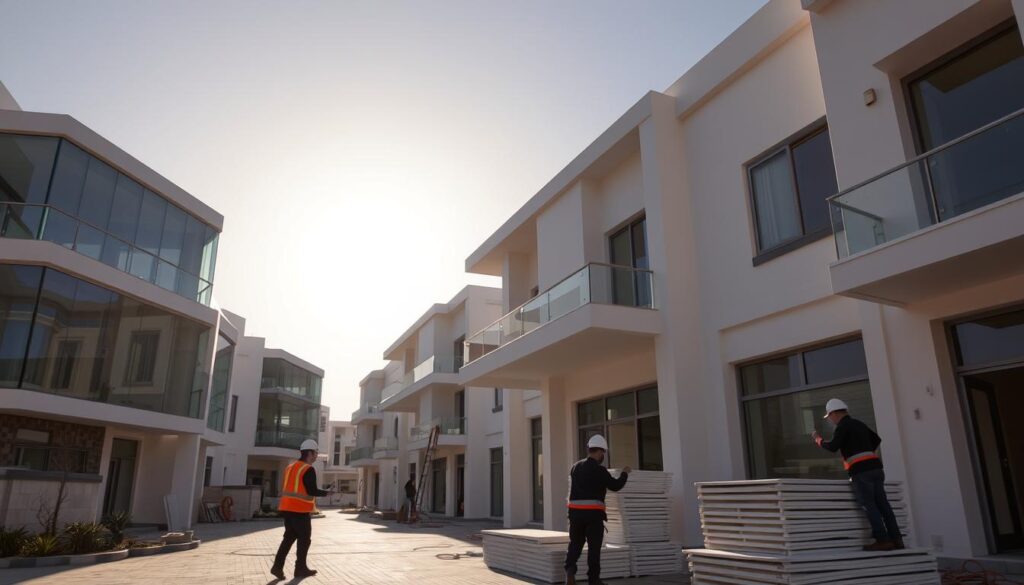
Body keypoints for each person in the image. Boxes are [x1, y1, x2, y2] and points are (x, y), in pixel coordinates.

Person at [812, 398, 904, 551]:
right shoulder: (859, 424)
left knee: (869, 505)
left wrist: (818, 440)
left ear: (834, 413)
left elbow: (833, 447)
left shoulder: (842, 426)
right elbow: (876, 439)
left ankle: (883, 540)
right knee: (883, 505)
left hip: (861, 472)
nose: (831, 420)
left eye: (830, 417)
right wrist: (864, 451)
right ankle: (897, 539)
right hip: (876, 468)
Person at [564, 435, 630, 585]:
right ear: (600, 451)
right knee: (594, 548)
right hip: (593, 515)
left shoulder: (575, 467)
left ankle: (570, 570)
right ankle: (593, 580)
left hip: (575, 513)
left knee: (575, 543)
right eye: (603, 453)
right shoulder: (600, 471)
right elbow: (615, 486)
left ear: (589, 449)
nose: (603, 457)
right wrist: (625, 473)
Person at [270, 439, 331, 580]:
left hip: (287, 508)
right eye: (315, 453)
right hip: (299, 510)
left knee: (288, 538)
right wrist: (327, 492)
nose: (316, 456)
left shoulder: (290, 467)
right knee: (304, 539)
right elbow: (312, 490)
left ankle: (277, 567)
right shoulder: (308, 469)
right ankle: (300, 568)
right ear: (309, 453)